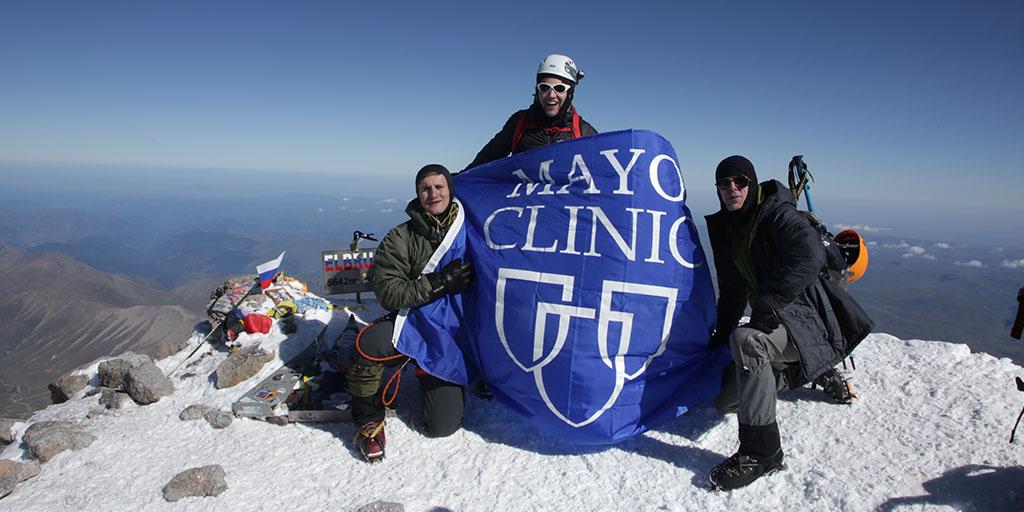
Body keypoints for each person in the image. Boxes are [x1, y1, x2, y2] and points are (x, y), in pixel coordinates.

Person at [704, 155, 873, 490]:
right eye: (724, 183)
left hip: (808, 321)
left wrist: (767, 302)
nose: (732, 188)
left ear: (752, 184)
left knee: (747, 342)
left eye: (740, 181)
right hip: (777, 324)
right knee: (725, 400)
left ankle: (762, 453)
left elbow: (810, 255)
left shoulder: (777, 213)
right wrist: (719, 335)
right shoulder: (726, 229)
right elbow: (733, 290)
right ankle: (807, 369)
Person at [346, 164, 474, 463]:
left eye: (439, 187)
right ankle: (367, 417)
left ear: (450, 190)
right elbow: (388, 293)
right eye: (425, 189)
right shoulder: (401, 237)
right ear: (417, 194)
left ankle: (433, 371)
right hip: (414, 324)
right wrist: (438, 282)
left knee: (442, 426)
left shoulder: (470, 231)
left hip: (453, 335)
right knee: (368, 344)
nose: (433, 194)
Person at [464, 54, 597, 170]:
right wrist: (458, 182)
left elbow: (603, 172)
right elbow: (487, 158)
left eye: (559, 88)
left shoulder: (583, 133)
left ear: (570, 93)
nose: (551, 95)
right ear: (537, 91)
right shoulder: (519, 123)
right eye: (544, 88)